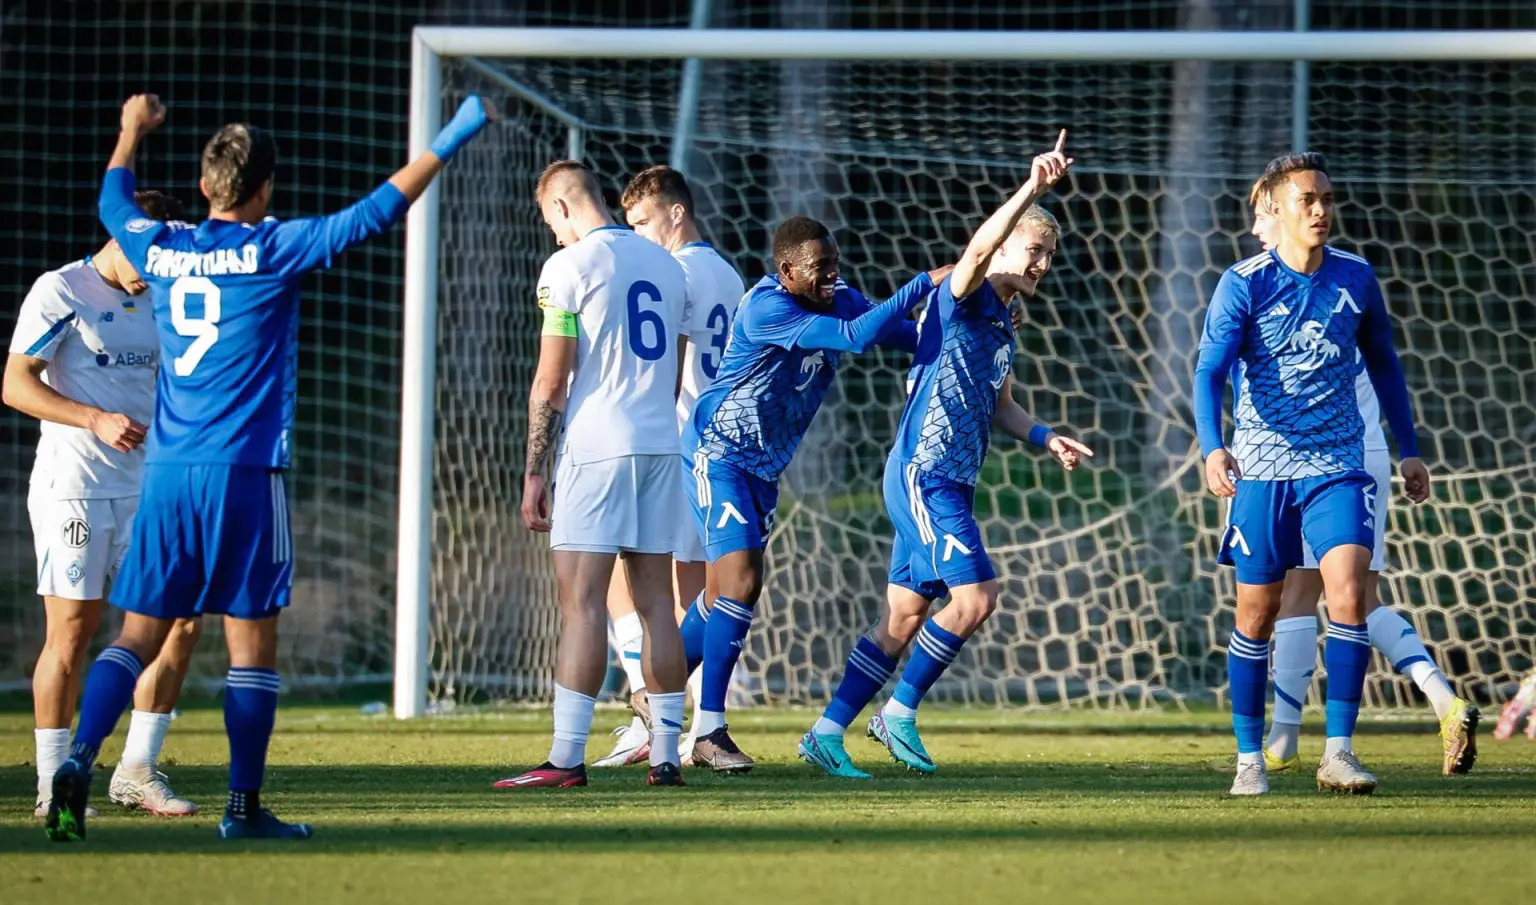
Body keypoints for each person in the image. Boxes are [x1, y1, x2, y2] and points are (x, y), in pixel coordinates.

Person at [45, 91, 496, 842]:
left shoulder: (161, 247)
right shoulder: (274, 246)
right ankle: (243, 809)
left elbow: (112, 199)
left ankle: (77, 761)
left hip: (167, 472)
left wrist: (129, 129)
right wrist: (451, 136)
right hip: (246, 474)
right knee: (251, 647)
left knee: (134, 636)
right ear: (265, 189)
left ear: (203, 185)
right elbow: (375, 212)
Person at [799, 132, 1088, 777]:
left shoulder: (1004, 322)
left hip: (951, 480)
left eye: (1049, 255)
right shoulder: (966, 295)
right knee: (977, 597)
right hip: (924, 474)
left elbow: (1002, 406)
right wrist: (1031, 189)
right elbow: (978, 250)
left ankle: (826, 732)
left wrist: (1046, 437)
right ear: (1005, 246)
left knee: (904, 616)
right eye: (1033, 250)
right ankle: (898, 713)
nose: (1042, 264)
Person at [1218, 176, 1477, 778]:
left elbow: (1383, 363)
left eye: (1261, 216)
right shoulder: (1253, 286)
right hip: (1305, 461)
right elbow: (1218, 368)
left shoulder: (1342, 283)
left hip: (1343, 460)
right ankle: (1434, 697)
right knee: (1336, 597)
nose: (1255, 228)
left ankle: (1303, 742)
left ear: (1275, 214)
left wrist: (1410, 447)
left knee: (1330, 596)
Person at [678, 214, 944, 771]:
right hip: (718, 453)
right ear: (787, 270)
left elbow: (903, 334)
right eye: (820, 267)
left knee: (721, 592)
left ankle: (654, 691)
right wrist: (924, 281)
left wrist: (969, 320)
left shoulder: (840, 297)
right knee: (743, 581)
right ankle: (709, 732)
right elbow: (856, 337)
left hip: (763, 470)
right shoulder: (766, 306)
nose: (832, 275)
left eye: (835, 264)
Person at [5, 190, 202, 819]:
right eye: (149, 254)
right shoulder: (61, 290)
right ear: (120, 236)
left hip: (148, 488)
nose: (155, 268)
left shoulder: (165, 296)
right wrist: (93, 417)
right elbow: (15, 384)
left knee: (179, 620)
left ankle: (137, 771)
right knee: (72, 632)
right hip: (76, 490)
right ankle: (52, 786)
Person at [496, 160, 692, 789]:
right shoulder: (668, 266)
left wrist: (534, 471)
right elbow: (674, 367)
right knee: (658, 604)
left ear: (561, 206)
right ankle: (666, 756)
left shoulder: (567, 267)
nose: (552, 234)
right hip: (660, 446)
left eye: (548, 220)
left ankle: (564, 759)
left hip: (597, 448)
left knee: (582, 604)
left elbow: (552, 381)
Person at [595, 165, 746, 768]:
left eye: (642, 222)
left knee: (618, 568)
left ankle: (651, 709)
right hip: (721, 447)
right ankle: (698, 725)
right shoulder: (729, 275)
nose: (637, 234)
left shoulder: (673, 273)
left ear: (676, 213)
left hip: (678, 444)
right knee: (696, 594)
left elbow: (665, 362)